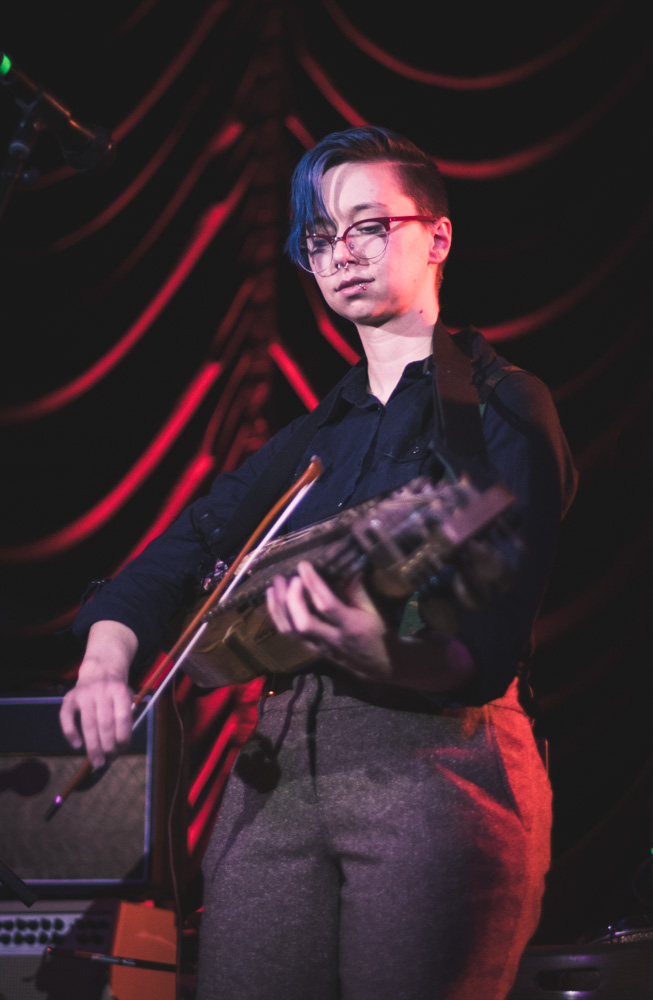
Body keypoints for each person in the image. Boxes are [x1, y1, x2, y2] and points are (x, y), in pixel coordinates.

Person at [60, 126, 577, 1000]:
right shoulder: (308, 440)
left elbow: (486, 640)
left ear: (436, 237)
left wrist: (372, 647)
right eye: (320, 237)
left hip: (437, 763)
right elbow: (179, 552)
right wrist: (105, 663)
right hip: (280, 770)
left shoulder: (500, 404)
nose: (340, 254)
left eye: (368, 226)